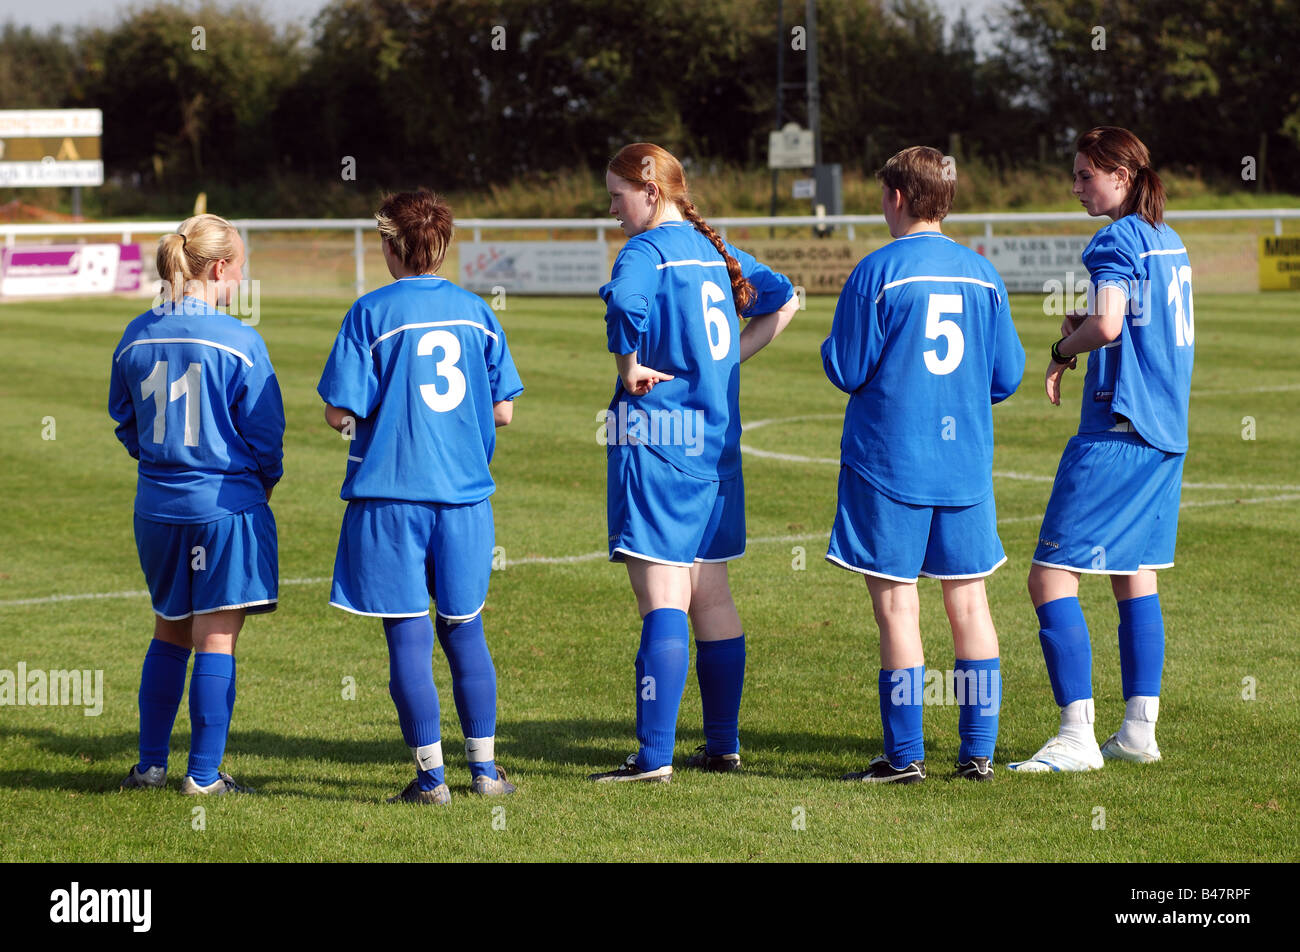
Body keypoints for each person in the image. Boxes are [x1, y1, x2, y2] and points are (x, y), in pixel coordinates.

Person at [590, 142, 798, 783]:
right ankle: (723, 746)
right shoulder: (715, 250)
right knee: (710, 597)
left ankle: (653, 758)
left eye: (617, 196)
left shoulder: (646, 252)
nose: (613, 211)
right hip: (715, 446)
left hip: (656, 440)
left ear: (651, 190)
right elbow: (784, 300)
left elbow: (624, 305)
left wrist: (628, 369)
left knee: (663, 600)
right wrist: (728, 360)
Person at [822, 146, 1025, 783]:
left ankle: (905, 757)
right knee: (970, 607)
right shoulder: (982, 273)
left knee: (898, 609)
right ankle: (978, 753)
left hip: (890, 467)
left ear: (899, 198)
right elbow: (1008, 374)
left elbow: (848, 368)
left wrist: (831, 348)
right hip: (964, 468)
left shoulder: (877, 270)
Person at [318, 189, 523, 804]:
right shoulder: (476, 311)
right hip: (464, 501)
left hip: (389, 500)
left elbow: (337, 413)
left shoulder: (370, 312)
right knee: (464, 630)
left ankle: (431, 779)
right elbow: (504, 411)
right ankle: (485, 774)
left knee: (407, 635)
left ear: (389, 245)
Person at [1009, 127, 1194, 773]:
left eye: (1087, 174)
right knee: (1132, 574)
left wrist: (1063, 351)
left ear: (1121, 174)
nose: (1076, 185)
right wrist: (1087, 331)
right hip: (1165, 432)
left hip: (1117, 428)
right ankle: (1139, 730)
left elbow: (1110, 322)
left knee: (1049, 575)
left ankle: (1075, 736)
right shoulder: (1168, 240)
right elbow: (1125, 327)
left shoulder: (1114, 238)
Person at [110, 213, 283, 796]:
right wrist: (256, 487)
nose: (240, 280)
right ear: (217, 268)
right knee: (215, 640)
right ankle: (203, 778)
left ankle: (151, 766)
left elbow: (124, 419)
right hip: (223, 508)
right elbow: (266, 438)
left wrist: (160, 463)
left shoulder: (136, 332)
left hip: (156, 509)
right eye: (240, 268)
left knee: (168, 632)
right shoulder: (240, 340)